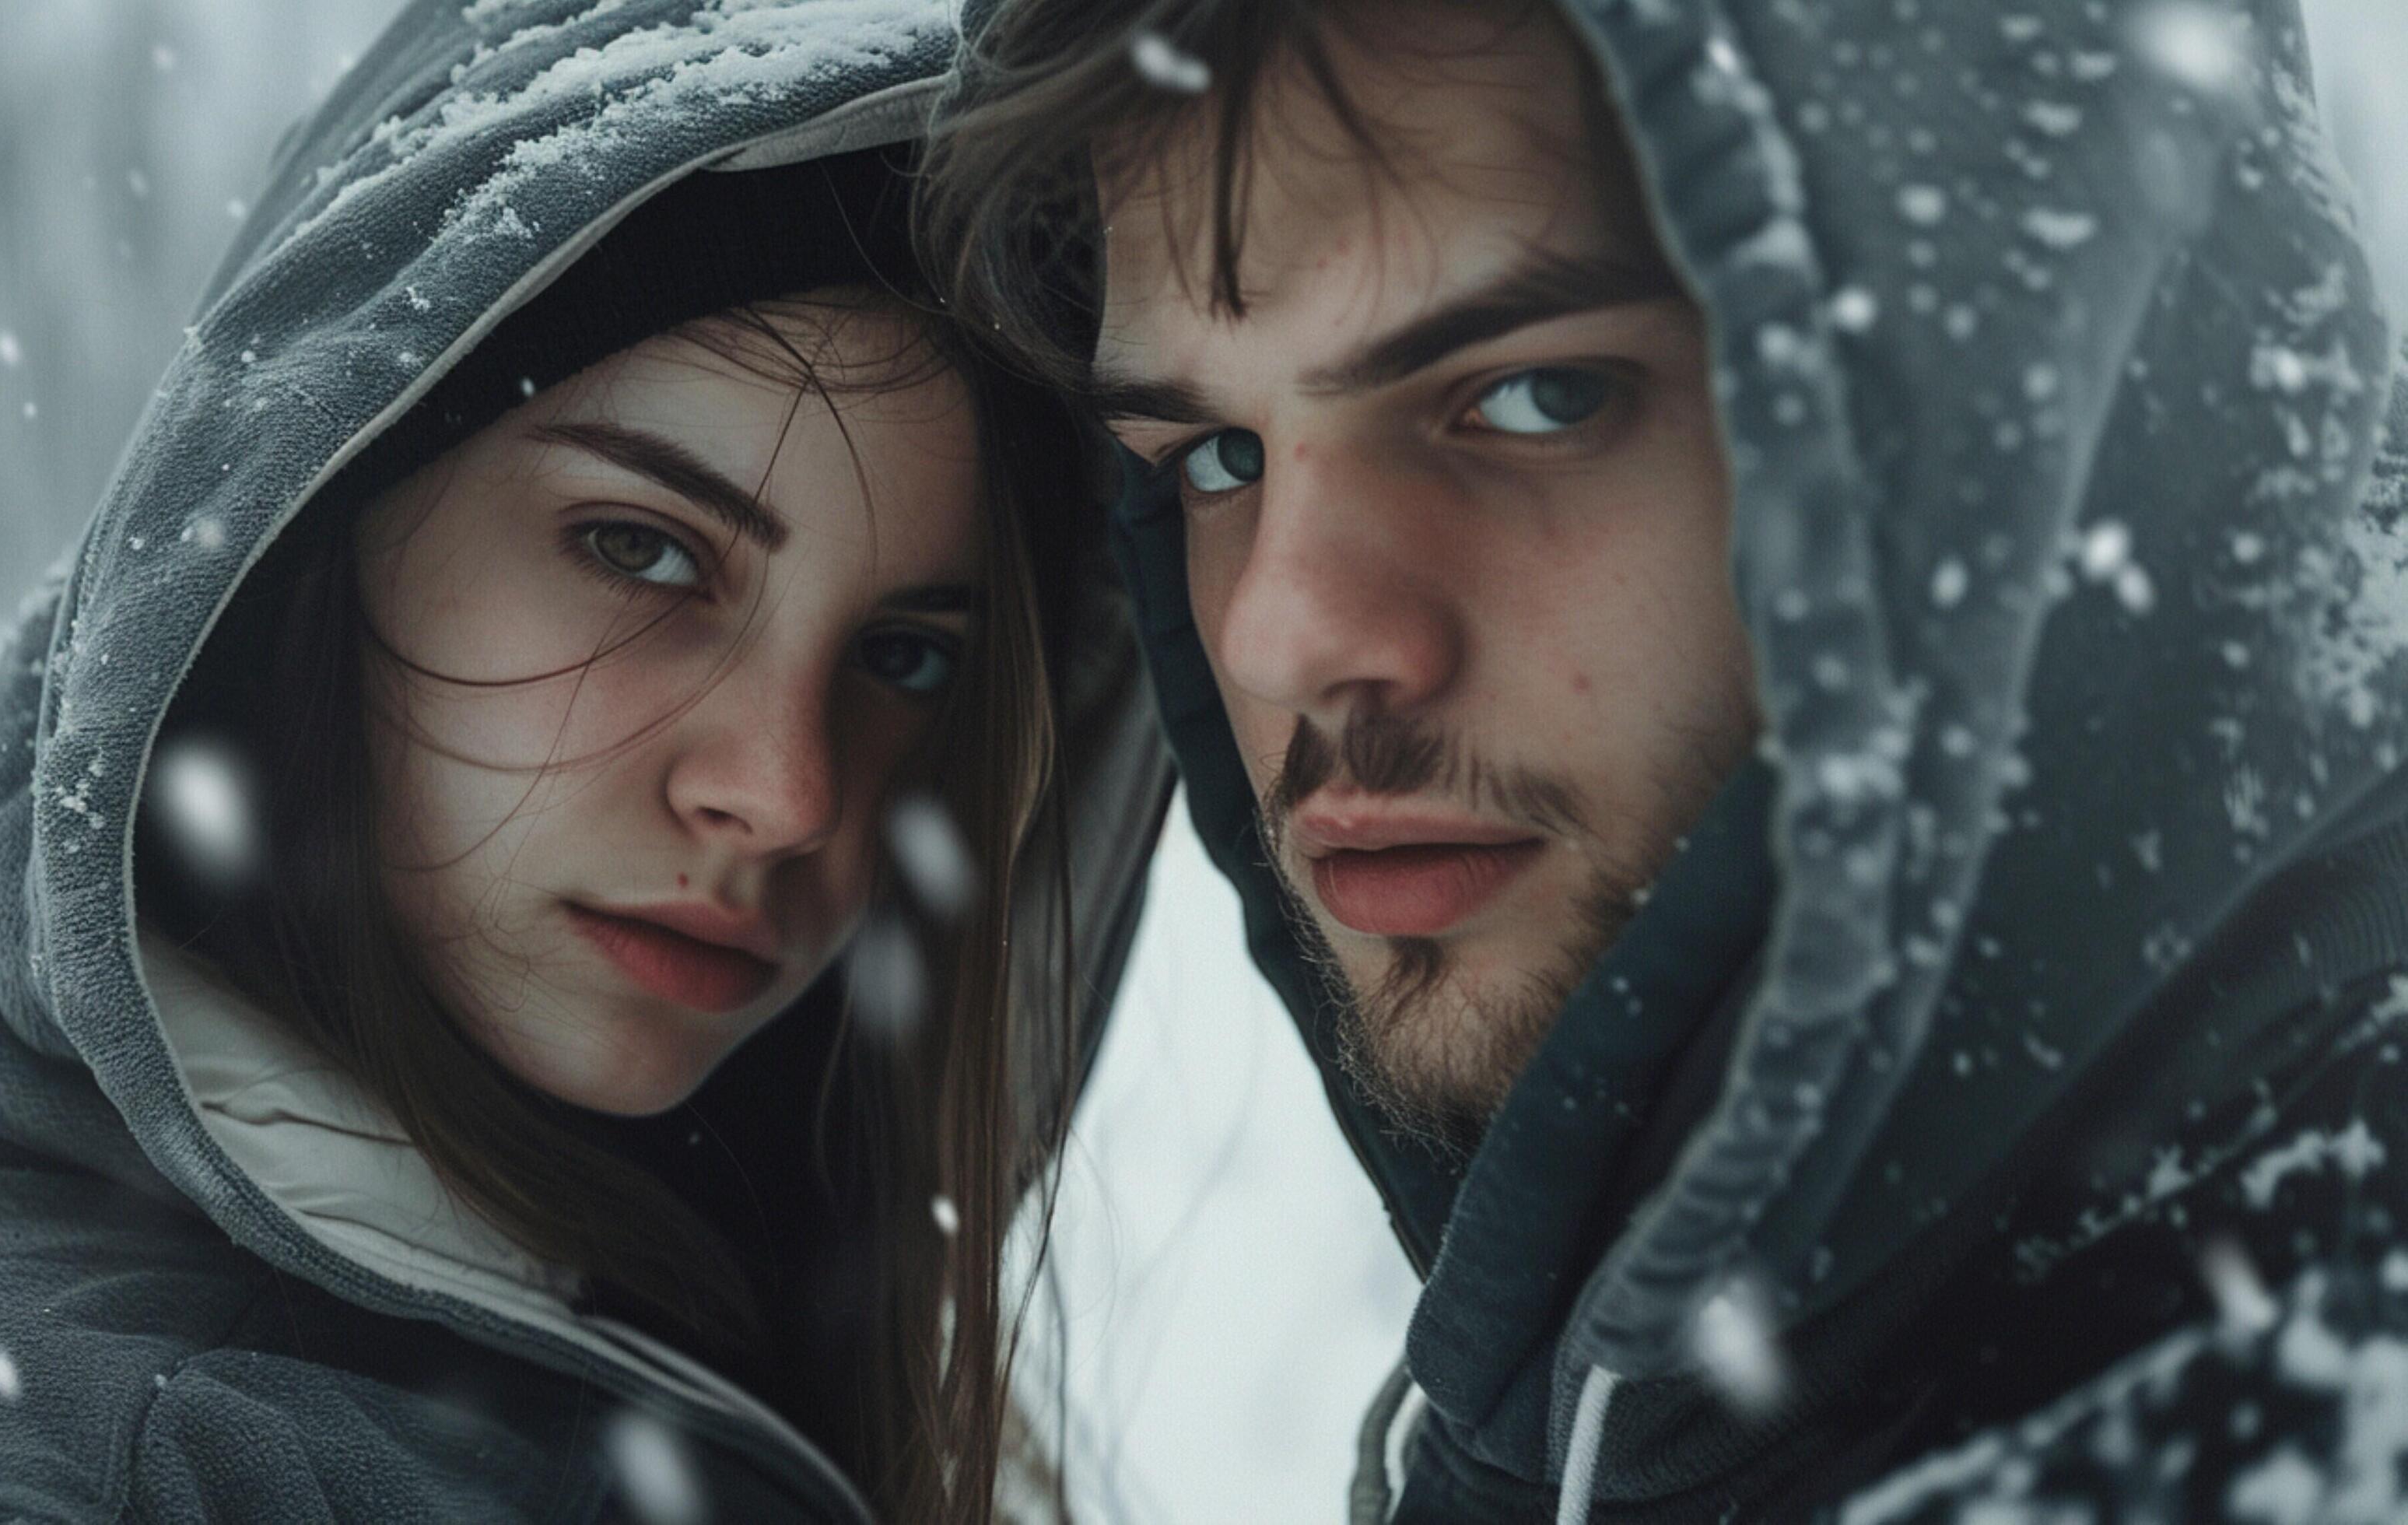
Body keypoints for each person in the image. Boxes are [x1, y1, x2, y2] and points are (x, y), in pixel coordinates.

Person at [0, 2, 1171, 1520]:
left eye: (909, 653)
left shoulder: (687, 1305)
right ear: (300, 546)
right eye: (640, 549)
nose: (789, 793)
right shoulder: (53, 1455)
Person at [925, 0, 2408, 1517]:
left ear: (2032, 405)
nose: (1279, 636)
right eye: (1214, 459)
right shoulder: (1600, 1391)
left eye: (1537, 395)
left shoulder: (2309, 1387)